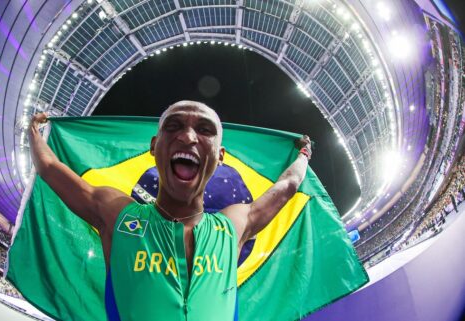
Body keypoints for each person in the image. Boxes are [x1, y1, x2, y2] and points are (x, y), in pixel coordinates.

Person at [29, 101, 311, 321]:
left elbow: (287, 185)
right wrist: (34, 133)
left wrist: (303, 155)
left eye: (204, 130)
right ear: (154, 147)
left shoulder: (232, 226)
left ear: (221, 157)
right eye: (173, 126)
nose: (187, 137)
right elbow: (50, 169)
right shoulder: (119, 216)